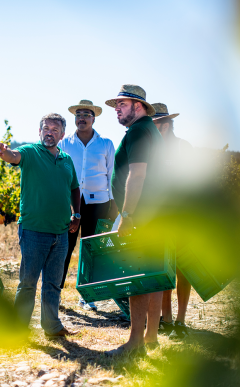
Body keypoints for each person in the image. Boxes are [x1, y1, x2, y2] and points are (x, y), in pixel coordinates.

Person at [0, 113, 81, 337]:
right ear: (39, 131)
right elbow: (14, 156)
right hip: (34, 230)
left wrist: (77, 213)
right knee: (28, 283)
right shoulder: (30, 152)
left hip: (61, 232)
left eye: (54, 129)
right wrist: (4, 153)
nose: (49, 132)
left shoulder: (66, 159)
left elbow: (74, 188)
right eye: (45, 128)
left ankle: (52, 327)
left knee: (53, 283)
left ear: (62, 134)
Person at [104, 84, 164, 356]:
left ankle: (134, 343)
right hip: (153, 214)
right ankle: (150, 337)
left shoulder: (140, 130)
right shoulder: (148, 129)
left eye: (122, 103)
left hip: (140, 215)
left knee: (136, 277)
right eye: (116, 104)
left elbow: (137, 175)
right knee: (151, 275)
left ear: (138, 106)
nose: (117, 108)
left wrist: (127, 215)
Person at [58, 100, 117, 312]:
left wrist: (113, 205)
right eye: (78, 114)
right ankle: (55, 293)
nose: (81, 117)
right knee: (64, 248)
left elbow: (112, 175)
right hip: (71, 203)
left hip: (99, 203)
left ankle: (88, 296)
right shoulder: (64, 143)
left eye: (86, 114)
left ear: (94, 118)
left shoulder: (106, 144)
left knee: (92, 250)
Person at [151, 103, 193, 341]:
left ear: (165, 125)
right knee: (163, 267)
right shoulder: (150, 149)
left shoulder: (183, 148)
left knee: (182, 270)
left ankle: (181, 320)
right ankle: (165, 319)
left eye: (155, 124)